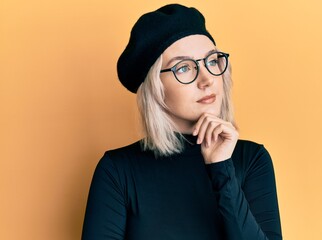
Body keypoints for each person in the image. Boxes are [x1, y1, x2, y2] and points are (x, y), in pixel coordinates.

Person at [82, 4, 282, 240]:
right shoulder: (117, 171)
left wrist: (222, 169)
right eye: (184, 67)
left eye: (211, 61)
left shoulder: (251, 160)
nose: (207, 79)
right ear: (156, 89)